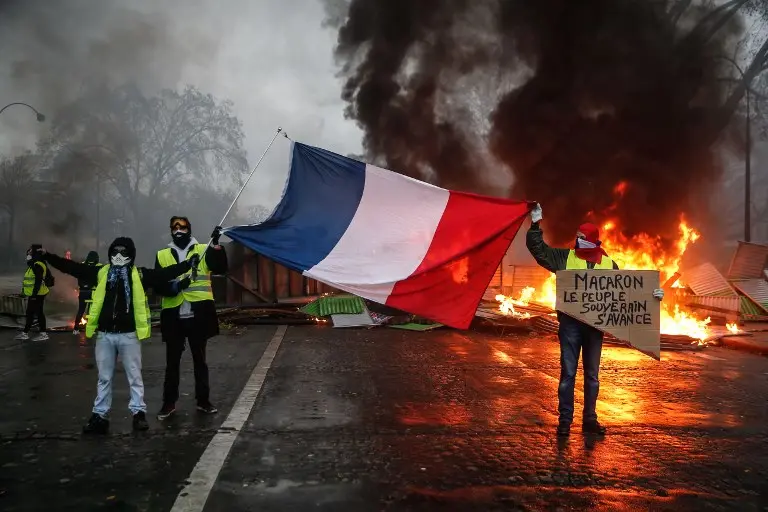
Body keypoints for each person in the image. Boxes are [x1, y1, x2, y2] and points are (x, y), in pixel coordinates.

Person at [526, 203, 664, 437]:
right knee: (568, 374)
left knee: (592, 376)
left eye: (582, 238)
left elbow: (627, 293)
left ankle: (590, 419)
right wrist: (535, 224)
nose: (578, 241)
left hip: (594, 327)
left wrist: (652, 296)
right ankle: (565, 421)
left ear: (592, 240)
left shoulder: (609, 265)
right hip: (570, 325)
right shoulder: (565, 257)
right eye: (577, 237)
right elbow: (540, 251)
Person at [42, 237, 197, 434]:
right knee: (104, 378)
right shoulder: (101, 272)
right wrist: (48, 257)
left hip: (129, 335)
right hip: (105, 335)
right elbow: (72, 268)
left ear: (131, 255)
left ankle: (138, 414)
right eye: (115, 252)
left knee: (134, 376)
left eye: (123, 252)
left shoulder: (139, 274)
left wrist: (187, 264)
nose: (118, 256)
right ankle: (100, 415)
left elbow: (163, 274)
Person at [155, 216, 227, 420]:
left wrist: (216, 245)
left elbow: (220, 268)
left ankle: (203, 401)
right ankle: (169, 403)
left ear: (189, 229)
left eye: (183, 227)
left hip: (198, 314)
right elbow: (158, 284)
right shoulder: (162, 254)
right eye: (174, 227)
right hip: (173, 315)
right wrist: (177, 286)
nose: (178, 230)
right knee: (172, 363)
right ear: (171, 230)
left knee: (200, 360)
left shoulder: (203, 249)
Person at [16, 244, 51, 342]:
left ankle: (39, 333)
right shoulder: (35, 263)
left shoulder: (37, 265)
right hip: (37, 293)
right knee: (33, 312)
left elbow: (38, 281)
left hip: (38, 293)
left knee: (34, 313)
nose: (28, 255)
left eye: (30, 253)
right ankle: (27, 333)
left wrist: (34, 295)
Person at [73, 251, 101, 334]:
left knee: (81, 310)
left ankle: (76, 329)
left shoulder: (82, 265)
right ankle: (91, 329)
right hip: (93, 292)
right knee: (92, 311)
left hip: (83, 291)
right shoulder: (99, 266)